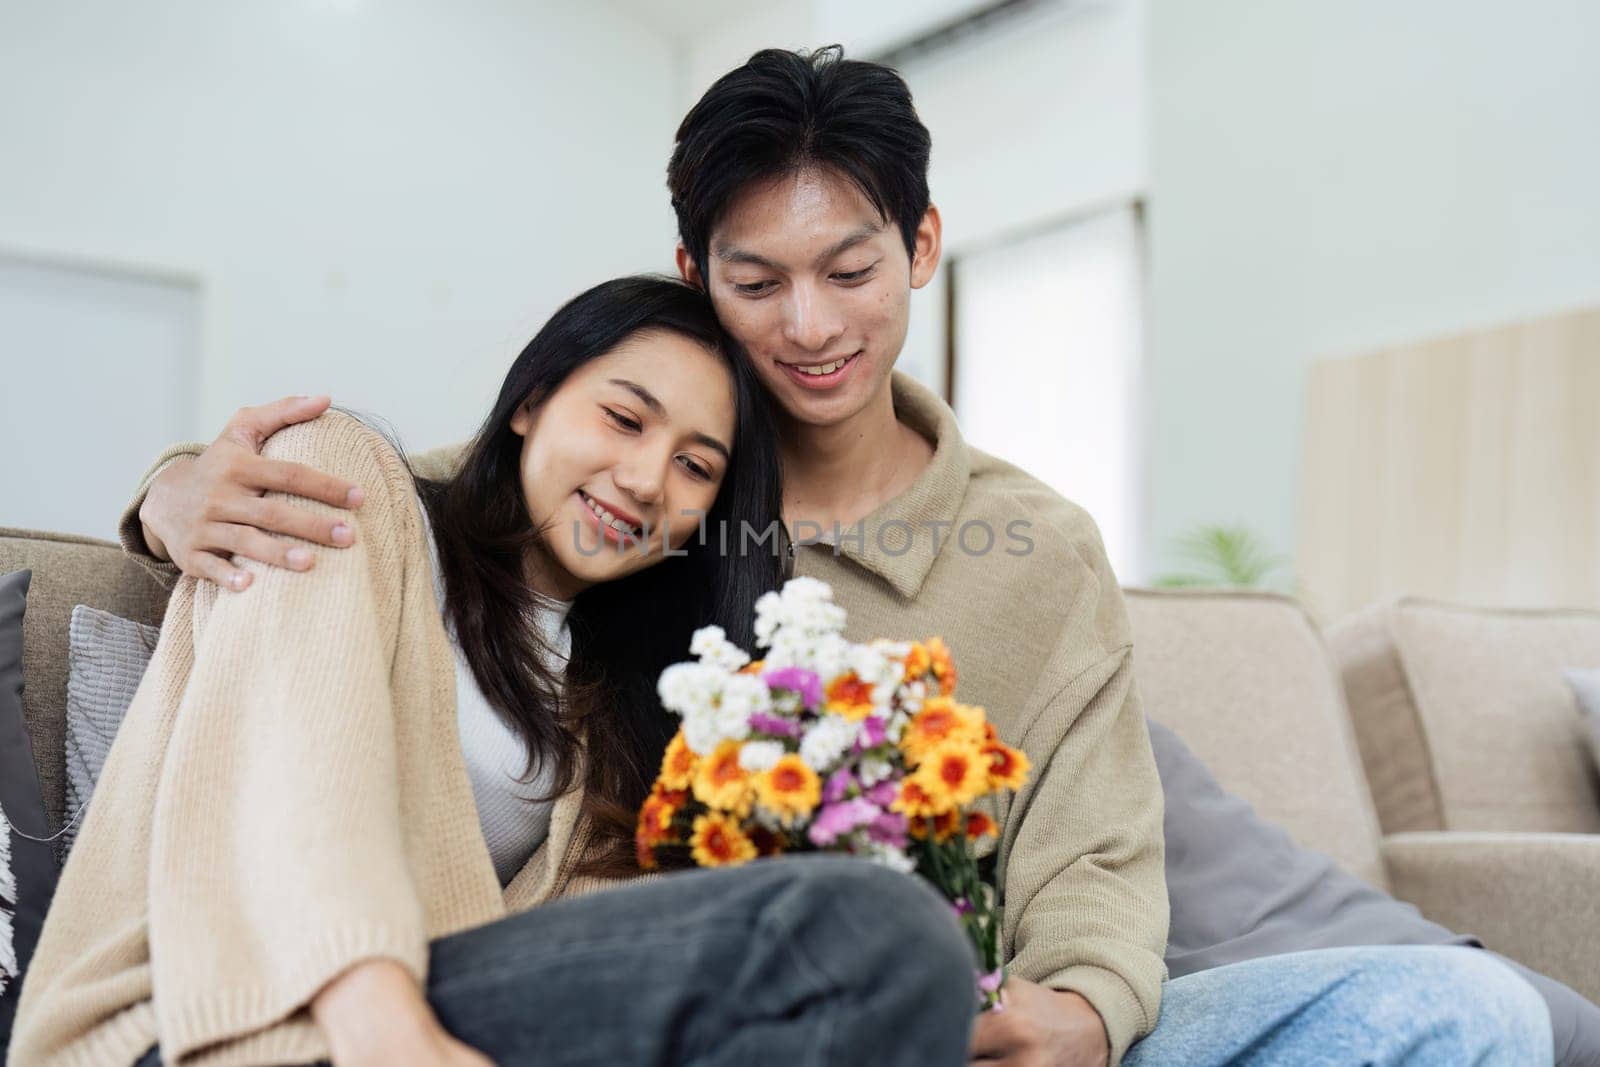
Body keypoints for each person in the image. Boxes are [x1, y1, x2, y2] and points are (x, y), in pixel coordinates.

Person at [110, 48, 1553, 1066]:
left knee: (1464, 1016)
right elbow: (418, 507)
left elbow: (1102, 846)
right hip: (734, 992)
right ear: (693, 279)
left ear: (922, 244)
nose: (809, 324)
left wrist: (1096, 1008)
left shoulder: (1040, 551)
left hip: (975, 1016)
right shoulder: (620, 510)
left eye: (850, 268)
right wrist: (175, 490)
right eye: (756, 280)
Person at [10, 277, 979, 1067]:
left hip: (455, 1011)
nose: (646, 479)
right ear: (529, 403)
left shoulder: (632, 705)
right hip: (211, 1013)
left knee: (890, 949)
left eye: (695, 466)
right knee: (863, 935)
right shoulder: (347, 479)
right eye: (623, 417)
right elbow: (297, 746)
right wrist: (384, 1024)